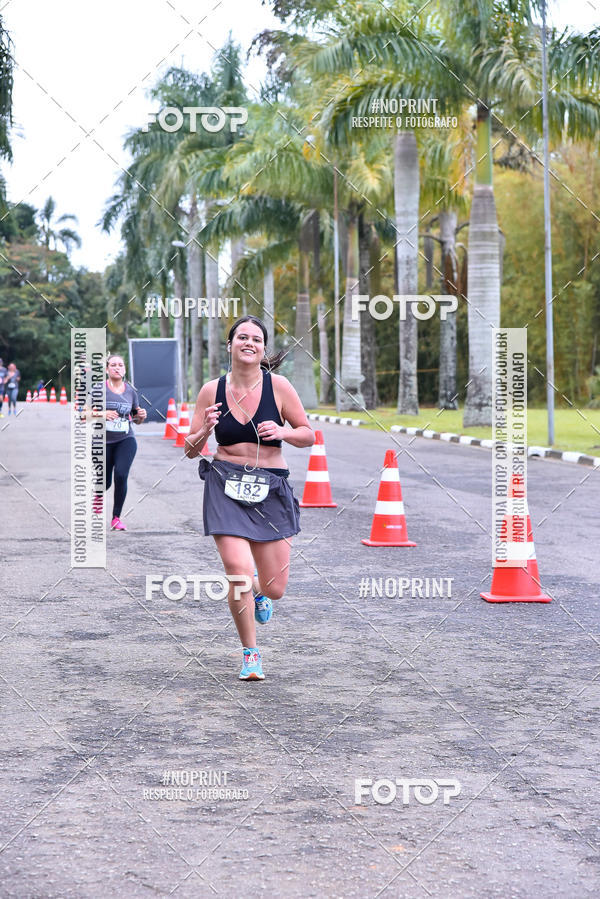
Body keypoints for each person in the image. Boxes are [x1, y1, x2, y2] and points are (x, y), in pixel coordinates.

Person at [185, 315, 314, 681]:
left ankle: (260, 592)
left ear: (262, 349)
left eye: (256, 339)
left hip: (271, 486)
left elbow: (308, 434)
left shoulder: (280, 387)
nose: (249, 343)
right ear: (230, 345)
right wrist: (206, 430)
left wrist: (285, 434)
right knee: (238, 574)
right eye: (242, 337)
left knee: (275, 587)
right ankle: (250, 654)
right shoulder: (211, 391)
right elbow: (190, 451)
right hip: (224, 484)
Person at [85, 354, 147, 531]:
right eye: (113, 365)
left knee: (121, 475)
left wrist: (141, 416)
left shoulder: (130, 391)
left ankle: (116, 518)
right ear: (106, 369)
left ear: (124, 369)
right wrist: (102, 414)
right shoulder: (98, 389)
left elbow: (135, 418)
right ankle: (98, 494)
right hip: (101, 442)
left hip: (125, 440)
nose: (117, 367)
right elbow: (84, 415)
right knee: (105, 482)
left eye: (120, 365)